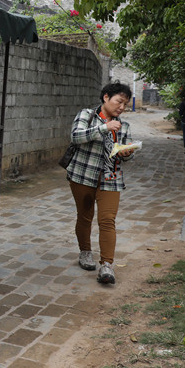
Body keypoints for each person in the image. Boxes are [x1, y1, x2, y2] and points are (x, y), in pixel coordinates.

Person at [65, 82, 136, 285]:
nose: (121, 107)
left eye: (125, 104)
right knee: (85, 216)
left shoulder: (125, 126)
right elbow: (76, 136)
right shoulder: (86, 115)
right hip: (82, 175)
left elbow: (126, 156)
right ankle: (85, 252)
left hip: (110, 178)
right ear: (106, 97)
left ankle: (107, 265)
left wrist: (127, 152)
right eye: (118, 102)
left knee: (107, 220)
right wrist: (105, 127)